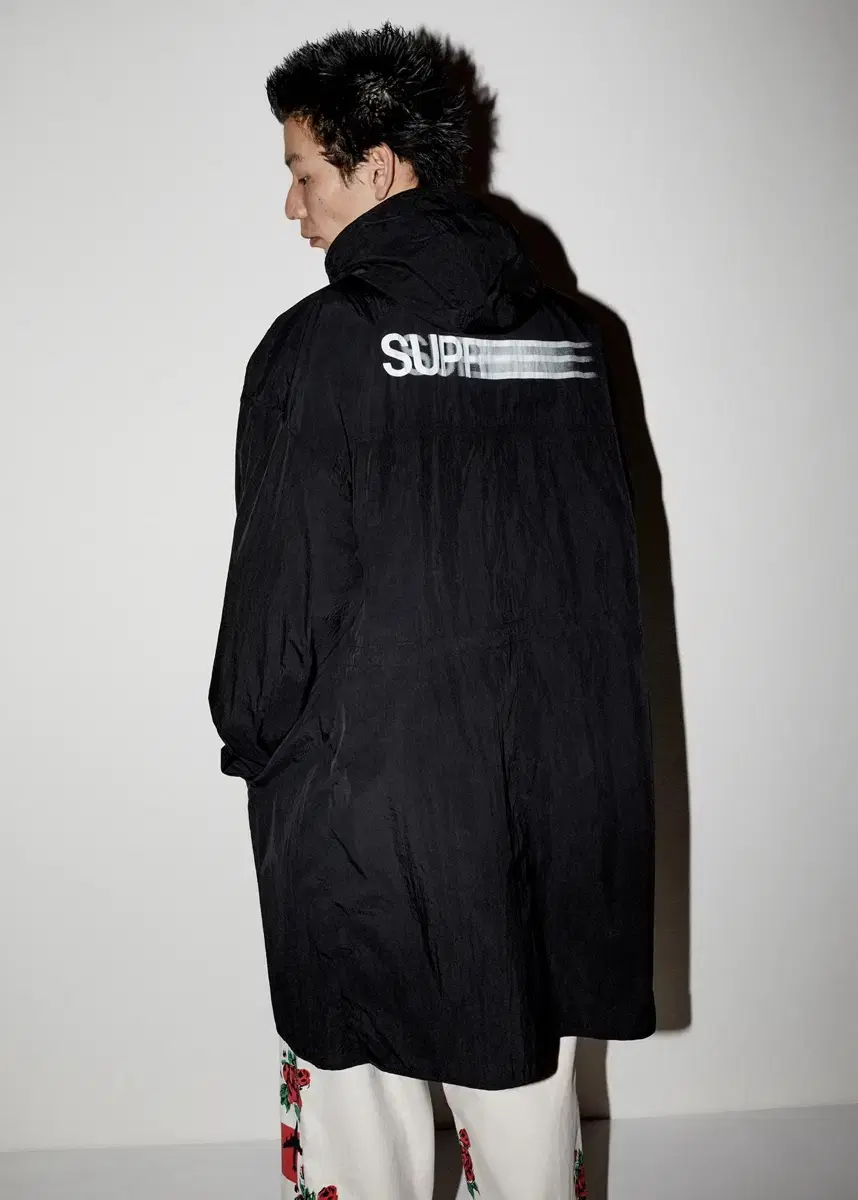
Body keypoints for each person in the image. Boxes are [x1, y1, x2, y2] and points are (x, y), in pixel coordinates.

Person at [208, 20, 655, 1200]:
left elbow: (279, 602)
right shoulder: (573, 341)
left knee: (359, 1086)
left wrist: (250, 737)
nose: (291, 204)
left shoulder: (323, 345)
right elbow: (603, 577)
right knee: (519, 1069)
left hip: (362, 806)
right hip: (546, 801)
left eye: (305, 170)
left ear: (379, 164)